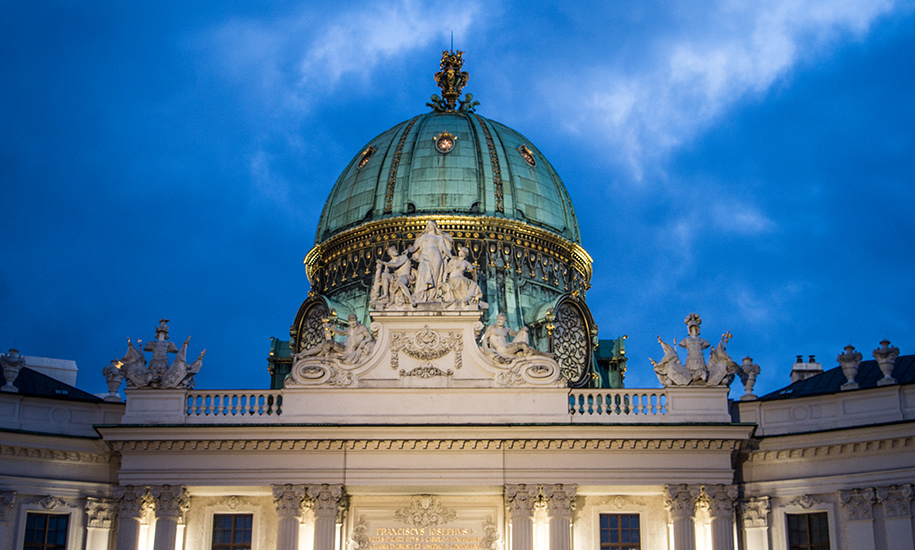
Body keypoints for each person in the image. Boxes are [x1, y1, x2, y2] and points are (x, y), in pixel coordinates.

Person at [406, 220, 453, 302]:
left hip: (436, 257)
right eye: (428, 225)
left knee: (435, 276)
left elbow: (444, 249)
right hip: (424, 257)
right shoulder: (423, 237)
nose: (429, 226)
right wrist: (408, 250)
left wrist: (452, 257)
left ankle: (432, 296)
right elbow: (415, 247)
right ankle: (421, 294)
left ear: (435, 227)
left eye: (431, 225)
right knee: (422, 273)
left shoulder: (439, 237)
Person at [481, 313, 545, 358]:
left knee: (524, 333)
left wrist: (522, 329)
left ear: (505, 321)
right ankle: (526, 355)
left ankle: (543, 355)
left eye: (501, 319)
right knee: (523, 345)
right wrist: (486, 348)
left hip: (508, 347)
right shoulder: (492, 327)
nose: (499, 321)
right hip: (501, 349)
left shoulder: (506, 329)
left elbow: (515, 334)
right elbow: (485, 338)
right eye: (498, 319)